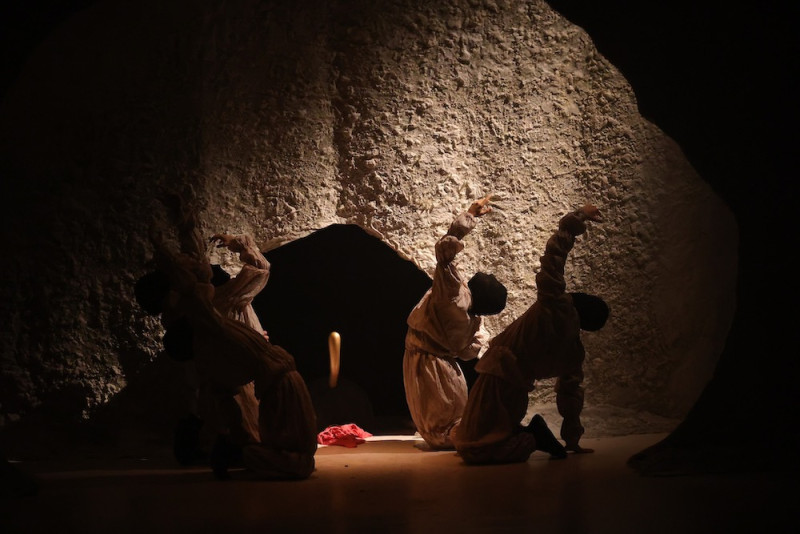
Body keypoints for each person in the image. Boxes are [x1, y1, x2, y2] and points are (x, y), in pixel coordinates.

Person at [143, 203, 317, 480]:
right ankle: (239, 448)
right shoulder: (206, 316)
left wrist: (184, 227)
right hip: (261, 377)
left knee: (289, 447)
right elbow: (195, 277)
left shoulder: (206, 313)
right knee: (287, 450)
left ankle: (238, 448)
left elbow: (196, 272)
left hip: (265, 374)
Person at [453, 204, 609, 464]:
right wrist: (572, 440)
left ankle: (533, 435)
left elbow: (554, 258)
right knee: (476, 443)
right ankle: (529, 434)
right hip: (506, 381)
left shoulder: (555, 304)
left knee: (474, 446)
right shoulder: (573, 350)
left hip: (499, 377)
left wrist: (576, 219)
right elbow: (570, 395)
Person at [403, 195, 508, 450]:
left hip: (429, 363)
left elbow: (445, 250)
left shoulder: (455, 297)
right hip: (435, 364)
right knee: (445, 425)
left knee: (444, 425)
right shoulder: (464, 311)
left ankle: (486, 436)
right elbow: (467, 352)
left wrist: (469, 214)